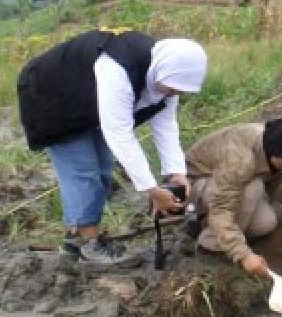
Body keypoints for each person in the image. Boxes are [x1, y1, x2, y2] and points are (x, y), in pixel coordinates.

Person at [17, 28, 207, 265]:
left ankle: (77, 238)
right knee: (83, 172)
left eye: (179, 90)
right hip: (52, 95)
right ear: (162, 70)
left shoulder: (168, 76)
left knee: (103, 168)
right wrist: (151, 189)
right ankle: (88, 244)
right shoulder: (118, 68)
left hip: (88, 99)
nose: (174, 93)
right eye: (171, 88)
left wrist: (176, 172)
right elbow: (120, 133)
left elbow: (166, 125)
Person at [185, 119, 282, 276]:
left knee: (265, 223)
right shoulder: (241, 160)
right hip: (192, 187)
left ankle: (215, 228)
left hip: (226, 186)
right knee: (253, 187)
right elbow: (222, 208)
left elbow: (277, 184)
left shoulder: (275, 147)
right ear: (276, 150)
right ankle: (211, 243)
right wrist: (243, 255)